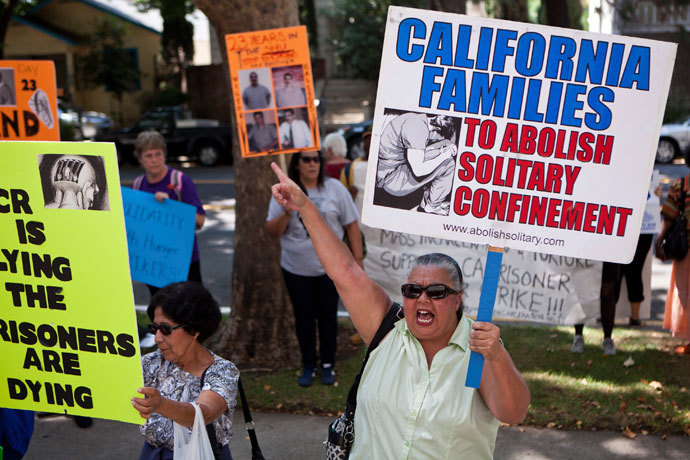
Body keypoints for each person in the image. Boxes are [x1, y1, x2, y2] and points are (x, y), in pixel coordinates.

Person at [269, 162, 530, 458]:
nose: (422, 299)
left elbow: (514, 411)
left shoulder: (480, 350)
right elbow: (345, 272)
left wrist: (497, 356)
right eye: (412, 290)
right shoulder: (386, 329)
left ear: (458, 299)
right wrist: (305, 207)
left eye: (436, 292)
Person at [265, 151, 362, 387]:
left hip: (330, 269)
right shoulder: (285, 189)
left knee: (328, 317)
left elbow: (351, 226)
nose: (312, 164)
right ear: (297, 165)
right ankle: (308, 364)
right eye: (306, 159)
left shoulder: (335, 189)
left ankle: (328, 364)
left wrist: (358, 261)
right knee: (304, 318)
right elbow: (271, 231)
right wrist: (287, 211)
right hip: (296, 269)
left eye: (316, 159)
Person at [131, 282, 239, 460]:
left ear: (194, 329)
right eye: (154, 328)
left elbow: (204, 413)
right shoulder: (151, 363)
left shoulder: (222, 371)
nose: (157, 338)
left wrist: (161, 405)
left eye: (165, 329)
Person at [133, 131, 206, 295]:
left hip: (184, 261)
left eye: (158, 154)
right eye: (148, 155)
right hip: (153, 263)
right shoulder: (138, 185)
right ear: (140, 159)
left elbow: (200, 221)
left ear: (164, 154)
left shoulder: (180, 181)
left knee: (190, 310)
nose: (154, 160)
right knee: (160, 310)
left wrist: (171, 207)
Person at [374, 112, 458, 215]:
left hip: (388, 171)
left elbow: (420, 150)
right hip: (392, 180)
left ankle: (429, 198)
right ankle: (432, 205)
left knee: (438, 153)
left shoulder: (417, 119)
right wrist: (446, 154)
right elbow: (419, 171)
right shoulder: (418, 129)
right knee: (448, 163)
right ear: (438, 130)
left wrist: (444, 143)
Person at [656, 174, 690, 355]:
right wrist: (660, 239)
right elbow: (669, 215)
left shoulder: (681, 184)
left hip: (686, 251)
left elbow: (669, 216)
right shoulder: (680, 185)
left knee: (686, 295)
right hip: (686, 250)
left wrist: (659, 239)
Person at [570, 262, 621, 355]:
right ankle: (578, 335)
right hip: (585, 253)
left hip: (608, 255)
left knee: (608, 292)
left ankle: (608, 338)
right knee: (581, 289)